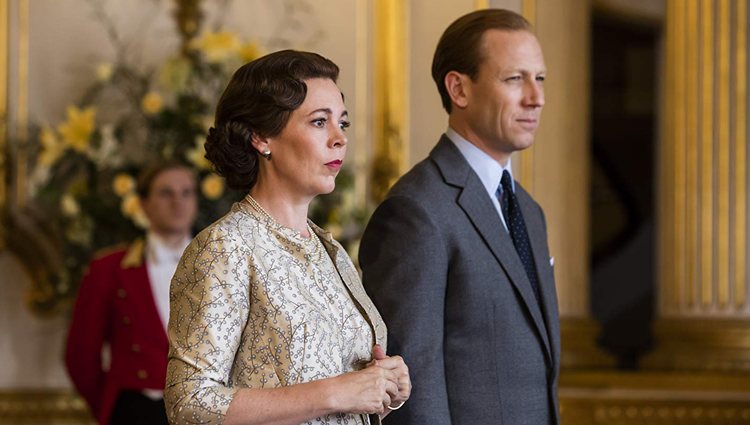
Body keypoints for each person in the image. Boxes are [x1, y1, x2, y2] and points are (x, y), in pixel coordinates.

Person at [164, 50, 411, 425]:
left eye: (342, 124)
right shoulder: (225, 247)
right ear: (261, 137)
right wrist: (336, 391)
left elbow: (344, 383)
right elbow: (189, 404)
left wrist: (388, 385)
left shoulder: (331, 249)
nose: (339, 139)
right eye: (318, 122)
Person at [359, 9, 560, 425]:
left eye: (539, 78)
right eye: (514, 79)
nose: (535, 97)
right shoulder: (416, 211)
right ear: (459, 89)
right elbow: (410, 388)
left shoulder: (529, 211)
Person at [65, 161, 199, 425]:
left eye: (186, 193)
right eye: (165, 193)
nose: (178, 202)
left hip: (207, 412)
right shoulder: (108, 269)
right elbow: (81, 354)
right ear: (143, 204)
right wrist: (112, 408)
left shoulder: (221, 265)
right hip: (137, 411)